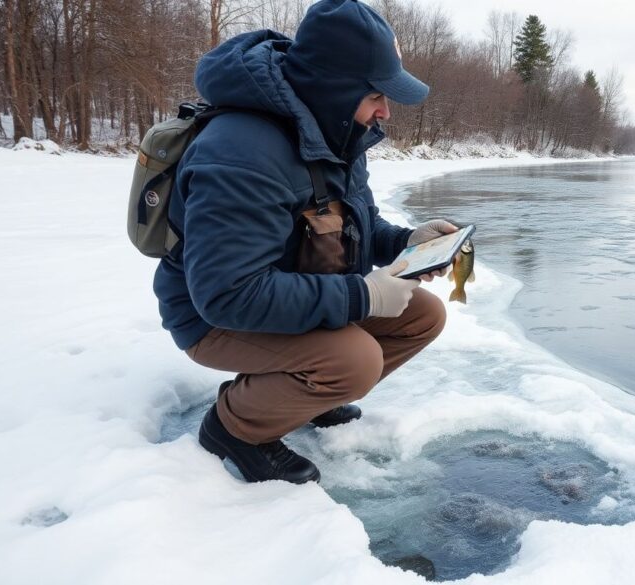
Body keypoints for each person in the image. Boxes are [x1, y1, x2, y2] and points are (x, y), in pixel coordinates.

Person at [153, 0, 457, 484]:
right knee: (355, 361)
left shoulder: (338, 133)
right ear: (336, 89)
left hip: (289, 290)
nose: (385, 111)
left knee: (423, 315)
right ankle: (235, 428)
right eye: (376, 95)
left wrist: (408, 241)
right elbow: (227, 295)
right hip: (211, 317)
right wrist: (362, 295)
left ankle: (309, 394)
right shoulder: (240, 153)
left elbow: (357, 225)